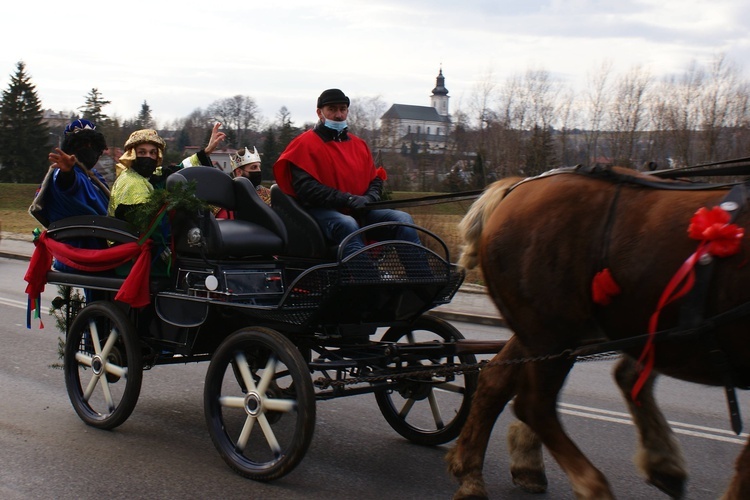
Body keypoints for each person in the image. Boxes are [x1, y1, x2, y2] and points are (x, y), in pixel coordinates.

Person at [273, 88, 421, 259]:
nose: (338, 115)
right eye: (332, 109)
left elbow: (375, 180)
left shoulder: (359, 145)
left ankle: (422, 279)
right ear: (320, 113)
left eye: (342, 109)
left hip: (360, 208)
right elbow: (307, 188)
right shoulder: (303, 145)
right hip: (321, 212)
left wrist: (369, 199)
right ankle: (364, 279)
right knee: (347, 224)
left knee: (403, 219)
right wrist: (347, 199)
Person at [29, 118, 110, 228]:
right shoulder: (62, 172)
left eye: (95, 147)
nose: (93, 152)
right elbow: (68, 185)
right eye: (84, 145)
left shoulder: (95, 177)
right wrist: (67, 173)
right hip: (76, 240)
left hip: (103, 237)